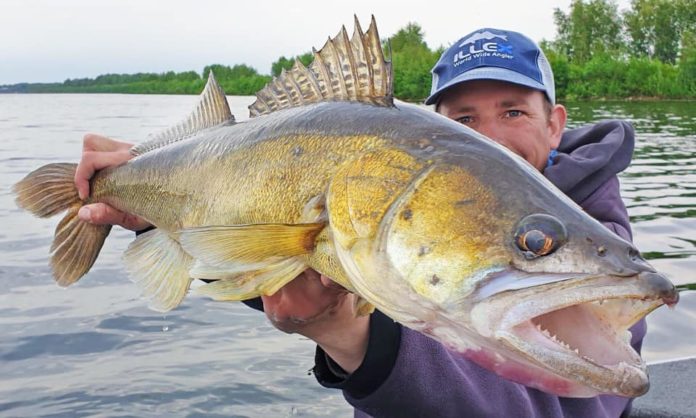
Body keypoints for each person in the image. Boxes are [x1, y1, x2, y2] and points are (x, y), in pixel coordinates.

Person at [75, 28, 643, 418]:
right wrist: (151, 216)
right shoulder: (395, 218)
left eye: (513, 111)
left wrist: (350, 337)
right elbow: (283, 267)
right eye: (466, 119)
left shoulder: (604, 257)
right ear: (440, 127)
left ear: (555, 123)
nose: (490, 136)